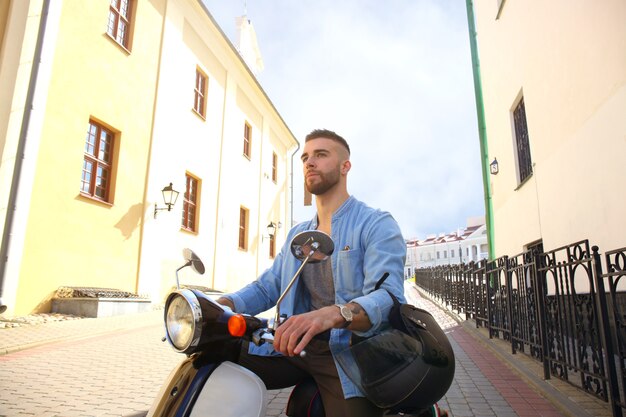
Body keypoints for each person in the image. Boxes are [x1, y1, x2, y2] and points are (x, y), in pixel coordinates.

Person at [217, 129, 406, 417]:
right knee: (213, 355)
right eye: (305, 156)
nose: (309, 162)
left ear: (345, 166)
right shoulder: (298, 234)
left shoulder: (375, 224)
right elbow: (268, 286)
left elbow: (389, 297)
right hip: (292, 346)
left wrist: (334, 314)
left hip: (347, 355)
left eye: (321, 154)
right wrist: (225, 305)